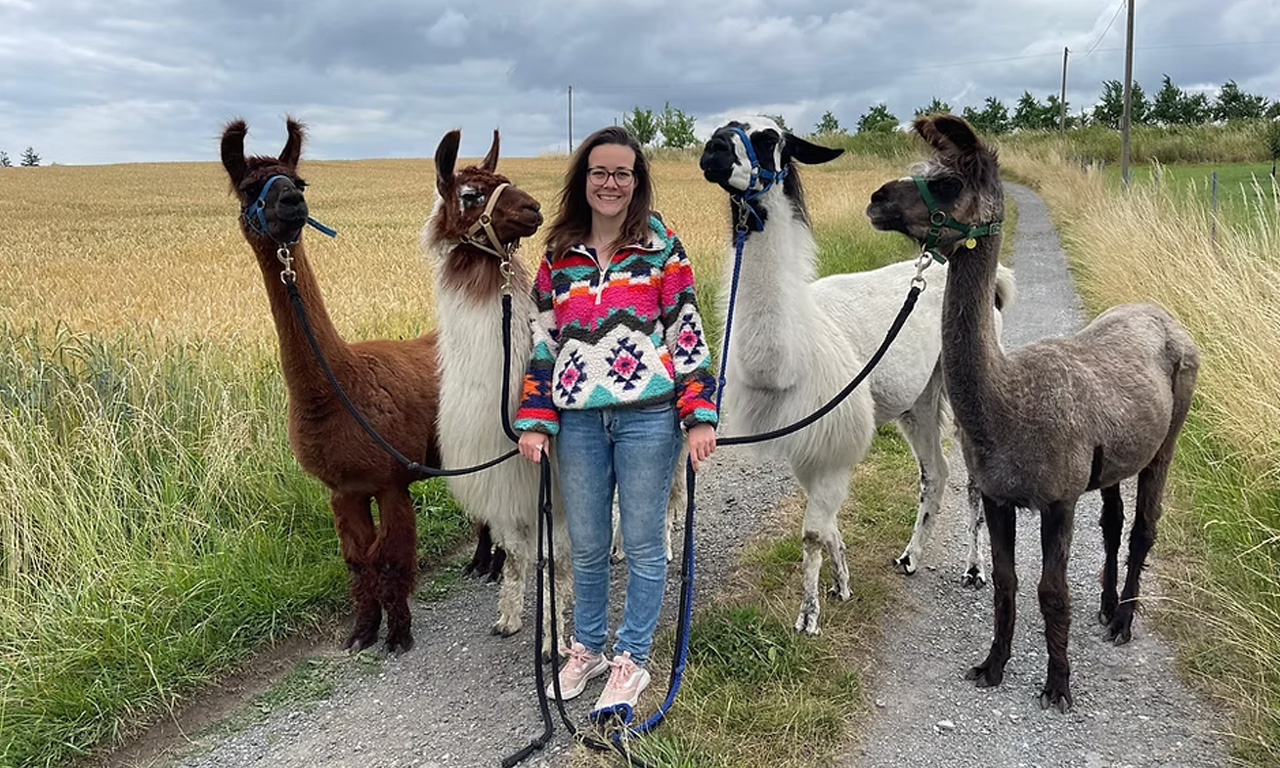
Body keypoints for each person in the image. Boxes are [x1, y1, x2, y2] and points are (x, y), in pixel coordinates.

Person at [514, 125, 718, 715]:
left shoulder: (661, 246)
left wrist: (698, 412)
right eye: (599, 172)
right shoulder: (558, 254)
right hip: (578, 422)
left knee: (646, 543)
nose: (610, 183)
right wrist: (536, 417)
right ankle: (589, 648)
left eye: (622, 173)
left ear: (637, 180)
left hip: (648, 418)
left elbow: (686, 329)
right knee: (588, 543)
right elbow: (545, 343)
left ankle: (631, 660)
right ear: (584, 179)